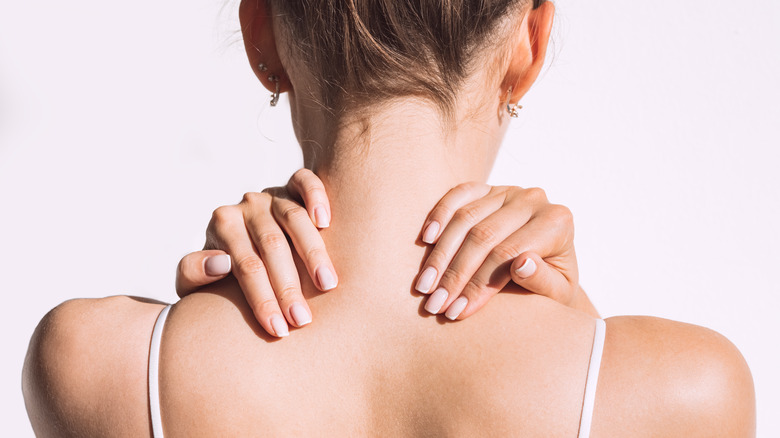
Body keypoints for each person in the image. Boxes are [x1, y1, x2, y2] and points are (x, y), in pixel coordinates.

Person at [22, 0, 755, 436]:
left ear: (261, 36)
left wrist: (198, 320)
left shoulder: (92, 362)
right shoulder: (687, 392)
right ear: (528, 45)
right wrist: (576, 323)